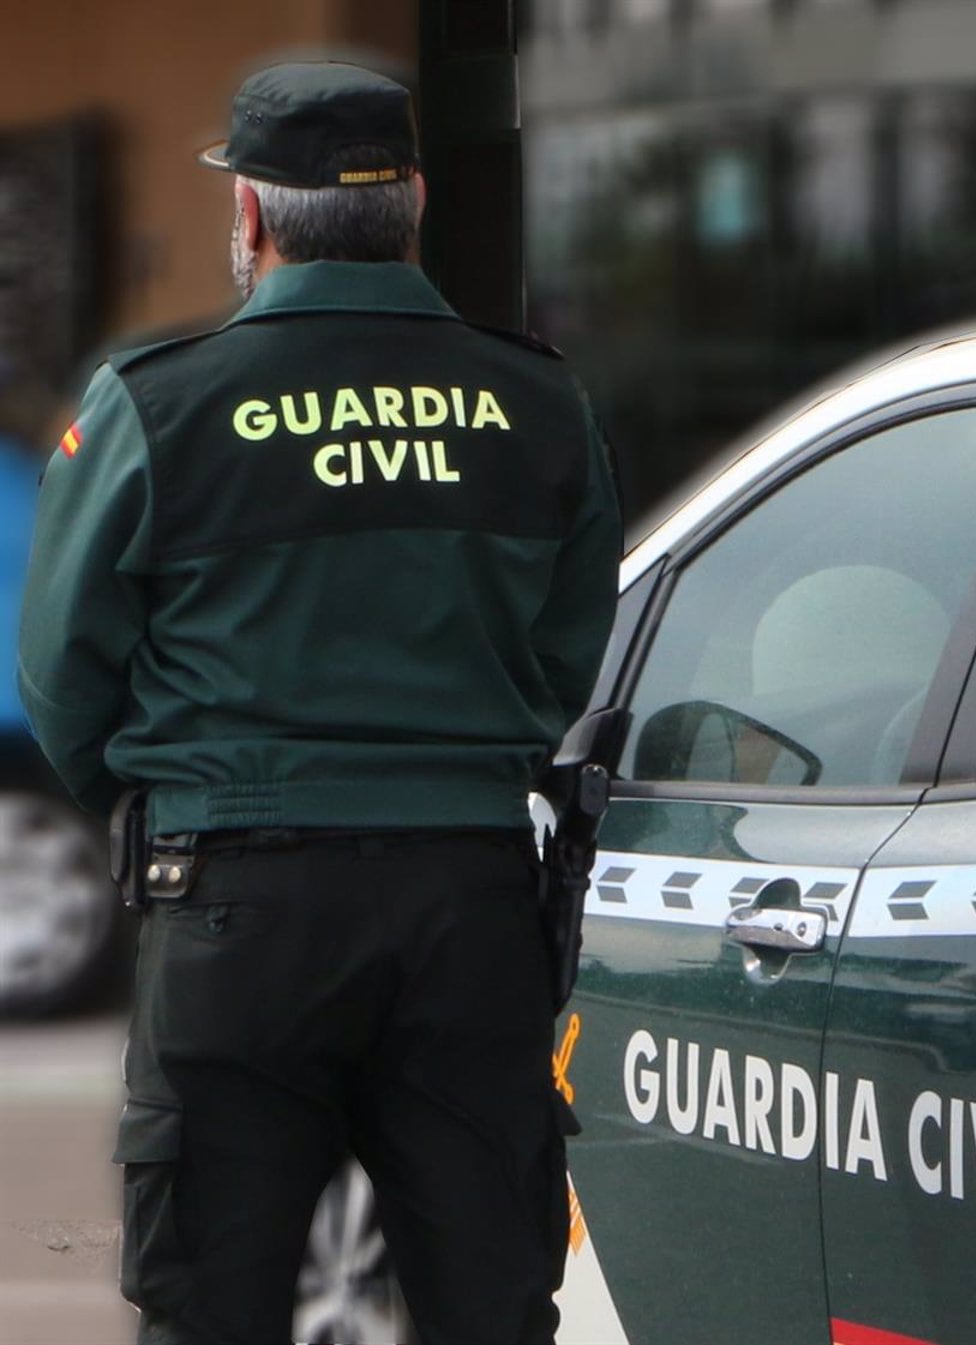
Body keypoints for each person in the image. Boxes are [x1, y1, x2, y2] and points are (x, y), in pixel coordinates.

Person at [17, 62, 620, 1344]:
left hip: (237, 908)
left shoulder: (157, 401)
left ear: (251, 217)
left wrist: (172, 799)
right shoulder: (540, 400)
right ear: (410, 203)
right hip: (470, 910)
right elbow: (567, 656)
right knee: (492, 1304)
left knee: (209, 1306)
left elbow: (63, 671)